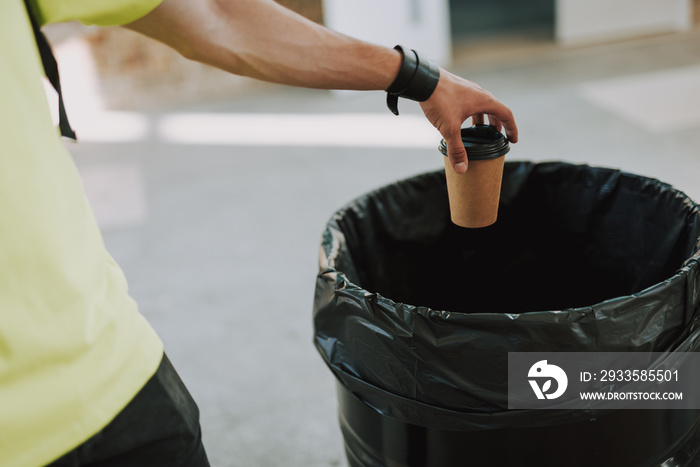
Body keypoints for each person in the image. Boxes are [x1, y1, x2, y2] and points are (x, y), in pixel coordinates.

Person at [4, 0, 518, 466]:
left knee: (578, 380)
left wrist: (421, 79)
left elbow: (214, 15)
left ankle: (594, 382)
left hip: (111, 373)